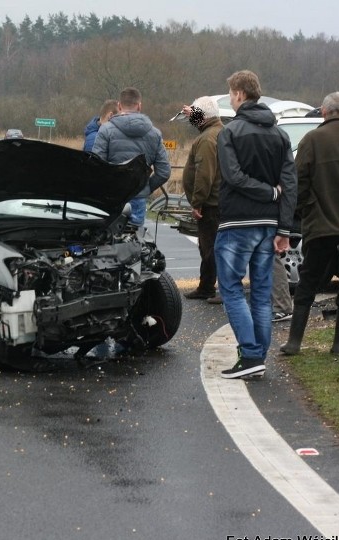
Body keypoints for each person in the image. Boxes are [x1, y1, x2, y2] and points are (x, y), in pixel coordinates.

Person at [215, 70, 297, 379]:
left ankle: (250, 355)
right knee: (261, 294)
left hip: (237, 221)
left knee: (232, 288)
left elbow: (232, 176)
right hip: (269, 223)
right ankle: (257, 358)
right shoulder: (280, 135)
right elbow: (290, 185)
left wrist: (265, 192)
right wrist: (284, 229)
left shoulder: (231, 132)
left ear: (238, 94)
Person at [281, 91, 339, 356]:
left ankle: (294, 343)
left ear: (324, 112)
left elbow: (298, 183)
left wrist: (304, 211)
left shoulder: (312, 140)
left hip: (319, 225)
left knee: (308, 283)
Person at [92, 87, 171, 227]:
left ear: (119, 105)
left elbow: (96, 166)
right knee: (135, 241)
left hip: (113, 197)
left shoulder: (106, 130)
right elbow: (164, 172)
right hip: (138, 197)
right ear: (139, 106)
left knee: (108, 240)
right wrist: (144, 187)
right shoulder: (155, 134)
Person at [180, 96, 223, 302]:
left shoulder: (207, 138)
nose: (192, 119)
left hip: (211, 204)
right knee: (208, 246)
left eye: (196, 115)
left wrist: (197, 202)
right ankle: (205, 285)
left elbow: (204, 173)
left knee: (210, 247)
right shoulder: (218, 130)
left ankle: (209, 287)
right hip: (217, 201)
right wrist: (194, 113)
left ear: (203, 116)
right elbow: (205, 117)